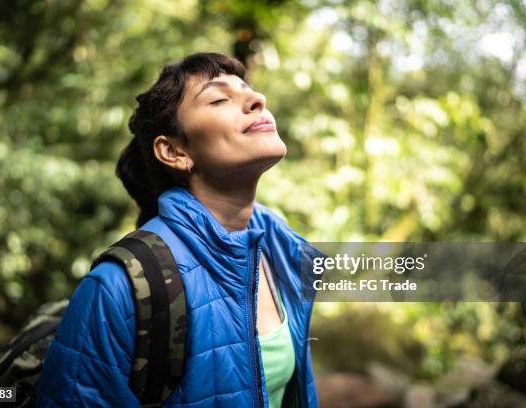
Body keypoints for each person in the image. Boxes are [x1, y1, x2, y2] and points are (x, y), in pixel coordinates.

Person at [36, 52, 320, 407]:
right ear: (174, 151)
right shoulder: (117, 286)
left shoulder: (281, 251)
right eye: (218, 98)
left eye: (249, 91)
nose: (257, 100)